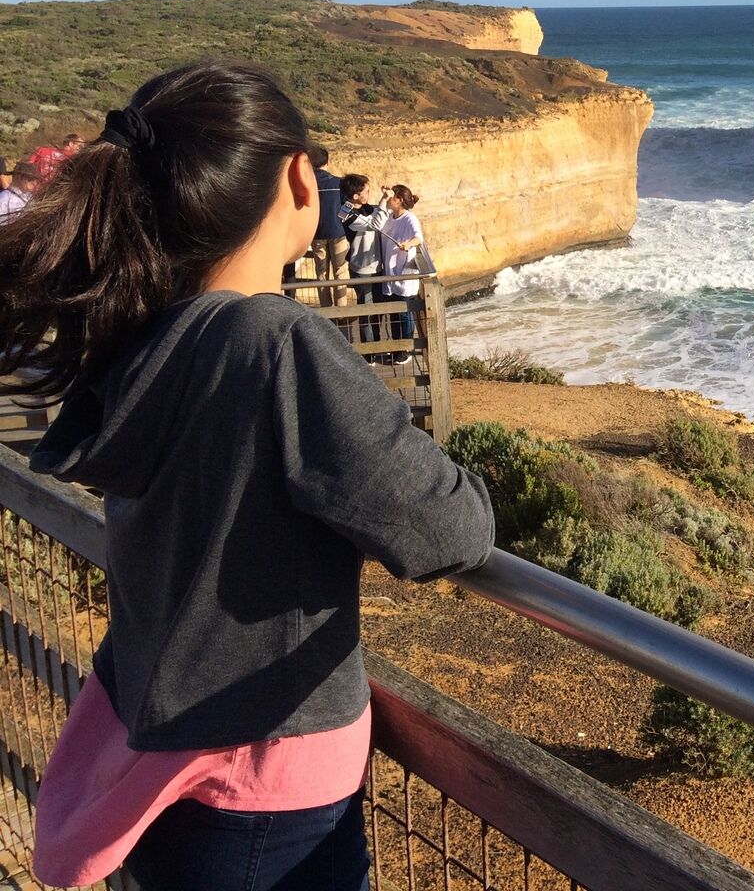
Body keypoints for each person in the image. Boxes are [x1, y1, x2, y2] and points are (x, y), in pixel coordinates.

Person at [0, 63, 494, 890]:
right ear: (302, 176)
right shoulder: (274, 342)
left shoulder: (145, 338)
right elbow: (448, 530)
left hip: (162, 755)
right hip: (270, 778)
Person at [338, 173, 392, 345]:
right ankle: (369, 352)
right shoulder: (346, 213)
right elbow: (375, 224)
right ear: (356, 196)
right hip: (362, 269)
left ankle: (377, 344)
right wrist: (384, 200)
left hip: (376, 266)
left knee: (378, 309)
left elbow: (381, 215)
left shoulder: (365, 207)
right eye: (366, 191)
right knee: (367, 310)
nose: (368, 195)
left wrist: (387, 199)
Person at [377, 185, 429, 358]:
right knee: (394, 314)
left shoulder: (409, 219)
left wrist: (408, 244)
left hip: (404, 273)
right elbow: (378, 218)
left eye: (392, 196)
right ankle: (396, 349)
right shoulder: (390, 216)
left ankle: (405, 350)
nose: (389, 198)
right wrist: (384, 196)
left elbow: (418, 237)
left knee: (404, 314)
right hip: (390, 273)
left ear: (398, 199)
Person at [308, 145, 352, 307]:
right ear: (328, 162)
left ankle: (326, 309)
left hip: (317, 233)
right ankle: (341, 309)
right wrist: (339, 218)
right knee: (340, 270)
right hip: (338, 232)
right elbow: (348, 206)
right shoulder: (338, 183)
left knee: (321, 272)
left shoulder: (308, 184)